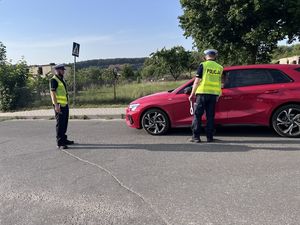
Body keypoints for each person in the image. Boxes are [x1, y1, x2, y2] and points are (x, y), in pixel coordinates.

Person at [188, 49, 223, 143]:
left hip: (202, 94)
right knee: (210, 116)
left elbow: (197, 81)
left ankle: (196, 137)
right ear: (215, 56)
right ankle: (210, 137)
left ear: (205, 56)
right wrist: (218, 94)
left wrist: (192, 94)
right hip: (213, 95)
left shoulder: (203, 65)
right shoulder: (220, 67)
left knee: (197, 116)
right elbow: (219, 82)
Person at [50, 64, 74, 149]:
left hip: (64, 104)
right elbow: (52, 93)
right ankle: (60, 142)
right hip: (59, 105)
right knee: (60, 124)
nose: (63, 71)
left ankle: (64, 139)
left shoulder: (61, 79)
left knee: (64, 123)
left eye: (63, 70)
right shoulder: (54, 80)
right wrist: (56, 105)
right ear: (58, 70)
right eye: (62, 70)